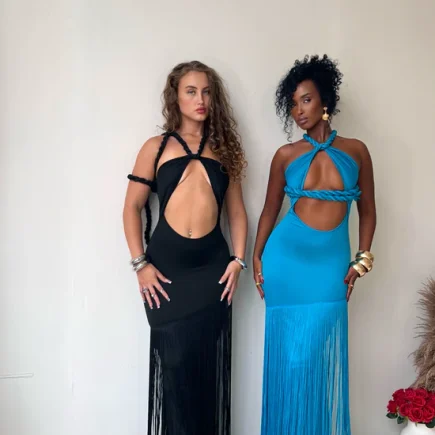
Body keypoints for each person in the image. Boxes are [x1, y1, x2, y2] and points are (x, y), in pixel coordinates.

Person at [253, 54, 376, 434]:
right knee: (293, 361)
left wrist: (362, 260)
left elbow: (368, 211)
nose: (299, 110)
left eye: (305, 99)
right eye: (293, 103)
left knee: (315, 357)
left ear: (325, 100)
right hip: (285, 261)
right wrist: (256, 257)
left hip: (330, 266)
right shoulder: (285, 155)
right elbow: (270, 210)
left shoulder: (357, 150)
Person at [123, 60, 248, 435]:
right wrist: (140, 264)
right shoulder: (155, 147)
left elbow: (237, 212)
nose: (201, 99)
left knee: (204, 372)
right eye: (191, 91)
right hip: (165, 275)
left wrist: (238, 260)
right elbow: (131, 207)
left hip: (212, 273)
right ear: (175, 97)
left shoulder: (224, 150)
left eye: (207, 92)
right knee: (175, 368)